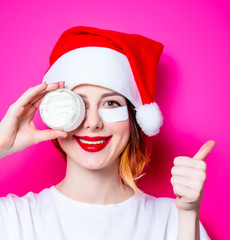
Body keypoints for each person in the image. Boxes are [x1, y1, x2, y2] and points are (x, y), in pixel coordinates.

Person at [0, 26, 215, 240]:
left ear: (134, 119)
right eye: (79, 104)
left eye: (111, 103)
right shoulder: (13, 218)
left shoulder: (173, 220)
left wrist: (188, 215)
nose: (93, 123)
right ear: (56, 115)